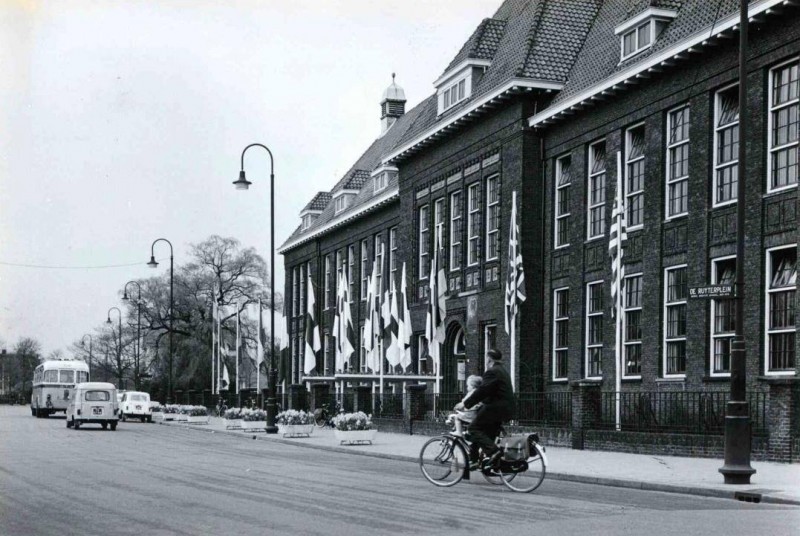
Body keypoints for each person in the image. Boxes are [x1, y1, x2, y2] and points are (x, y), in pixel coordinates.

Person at [455, 348, 515, 470]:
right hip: (505, 408)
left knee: (473, 428)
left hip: (496, 408)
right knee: (484, 433)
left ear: (489, 359)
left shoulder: (492, 372)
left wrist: (465, 404)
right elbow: (491, 391)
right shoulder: (502, 371)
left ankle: (494, 452)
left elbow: (481, 391)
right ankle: (478, 461)